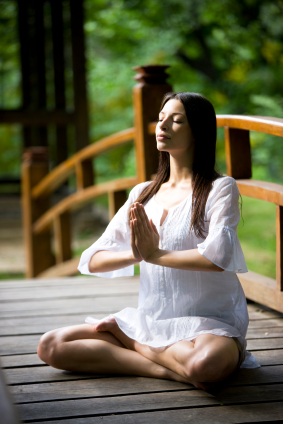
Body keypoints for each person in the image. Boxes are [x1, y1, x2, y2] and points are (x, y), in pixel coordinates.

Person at [37, 92, 259, 390]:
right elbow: (92, 259)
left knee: (205, 364)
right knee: (52, 344)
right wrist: (136, 253)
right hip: (152, 322)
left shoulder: (220, 188)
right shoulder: (143, 193)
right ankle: (170, 371)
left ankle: (130, 340)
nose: (162, 125)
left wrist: (155, 254)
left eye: (176, 120)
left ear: (198, 132)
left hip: (209, 325)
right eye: (161, 118)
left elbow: (218, 257)